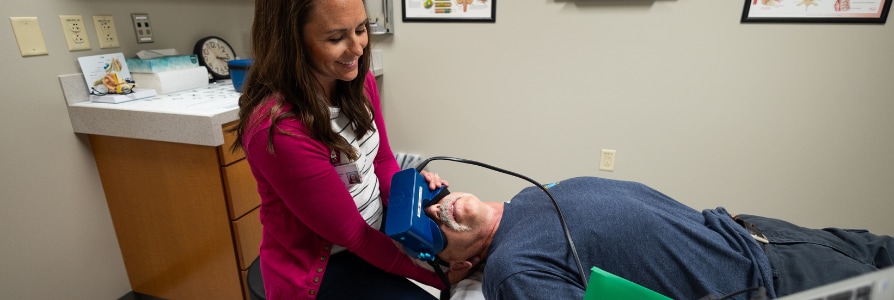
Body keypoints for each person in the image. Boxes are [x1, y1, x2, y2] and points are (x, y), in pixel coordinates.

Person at [229, 0, 470, 298]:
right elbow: (354, 236)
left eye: (361, 29)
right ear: (292, 41)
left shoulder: (357, 80)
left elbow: (381, 159)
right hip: (326, 264)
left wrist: (411, 197)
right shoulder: (279, 130)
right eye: (336, 38)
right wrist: (440, 276)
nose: (357, 48)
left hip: (375, 233)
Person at [425, 176, 894, 300]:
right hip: (771, 281)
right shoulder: (511, 271)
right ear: (459, 266)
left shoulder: (529, 193)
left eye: (434, 198)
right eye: (427, 228)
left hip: (759, 231)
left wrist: (426, 185)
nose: (436, 208)